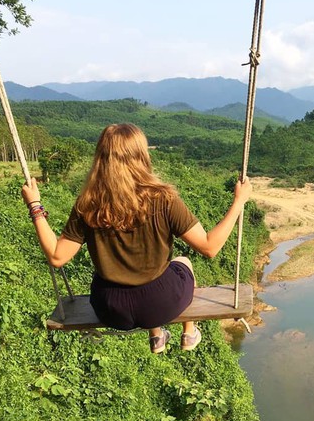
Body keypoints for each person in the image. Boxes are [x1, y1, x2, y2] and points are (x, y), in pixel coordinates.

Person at [22, 123, 252, 354]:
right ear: (142, 155)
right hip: (160, 304)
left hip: (111, 309)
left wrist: (35, 206)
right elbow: (210, 247)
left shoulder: (88, 204)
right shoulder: (163, 199)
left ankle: (157, 336)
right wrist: (239, 202)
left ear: (100, 158)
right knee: (183, 262)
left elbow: (57, 256)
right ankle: (189, 333)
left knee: (141, 280)